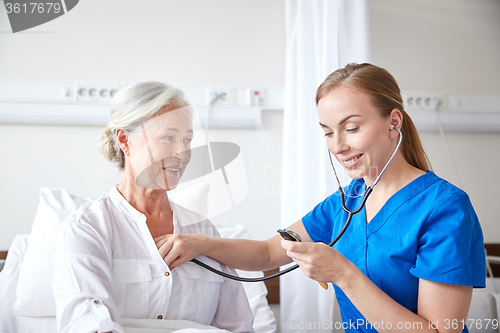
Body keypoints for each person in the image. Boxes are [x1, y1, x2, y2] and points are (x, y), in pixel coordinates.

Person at [155, 63, 486, 333]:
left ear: (393, 122)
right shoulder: (346, 202)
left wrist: (343, 274)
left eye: (351, 128)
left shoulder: (445, 209)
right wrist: (198, 243)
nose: (337, 145)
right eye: (327, 131)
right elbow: (268, 252)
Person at [52, 82, 255, 333]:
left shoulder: (204, 232)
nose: (182, 153)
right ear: (125, 140)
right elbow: (88, 322)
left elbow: (238, 325)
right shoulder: (86, 229)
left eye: (188, 139)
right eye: (168, 138)